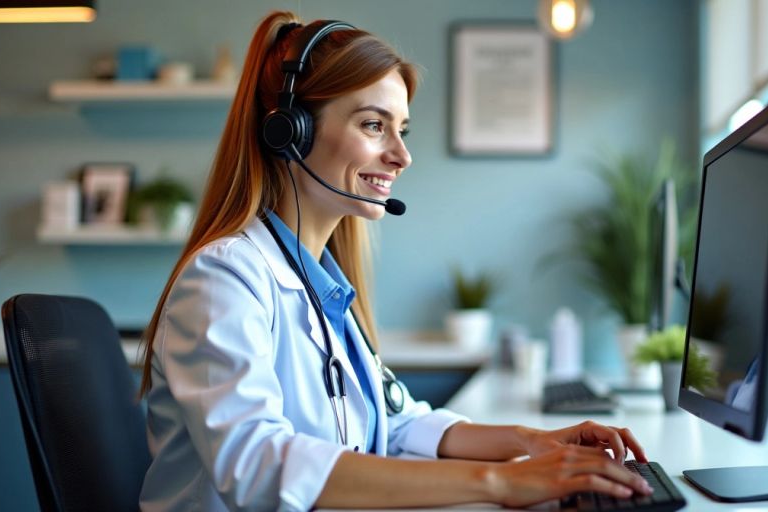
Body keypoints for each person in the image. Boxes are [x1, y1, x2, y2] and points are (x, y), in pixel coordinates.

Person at [138, 11, 651, 511]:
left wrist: (533, 441)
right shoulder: (223, 279)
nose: (401, 156)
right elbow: (256, 465)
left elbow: (397, 422)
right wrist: (501, 482)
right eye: (373, 125)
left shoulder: (325, 287)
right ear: (290, 132)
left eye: (401, 129)